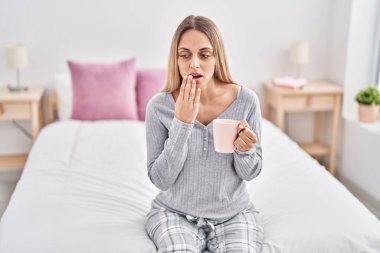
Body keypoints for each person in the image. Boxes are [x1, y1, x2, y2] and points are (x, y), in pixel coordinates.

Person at [144, 15, 264, 253]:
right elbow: (160, 180)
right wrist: (182, 123)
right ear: (176, 59)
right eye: (185, 55)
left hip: (234, 215)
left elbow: (251, 172)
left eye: (204, 54)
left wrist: (244, 150)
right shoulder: (159, 107)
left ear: (217, 57)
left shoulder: (247, 101)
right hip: (173, 213)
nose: (194, 64)